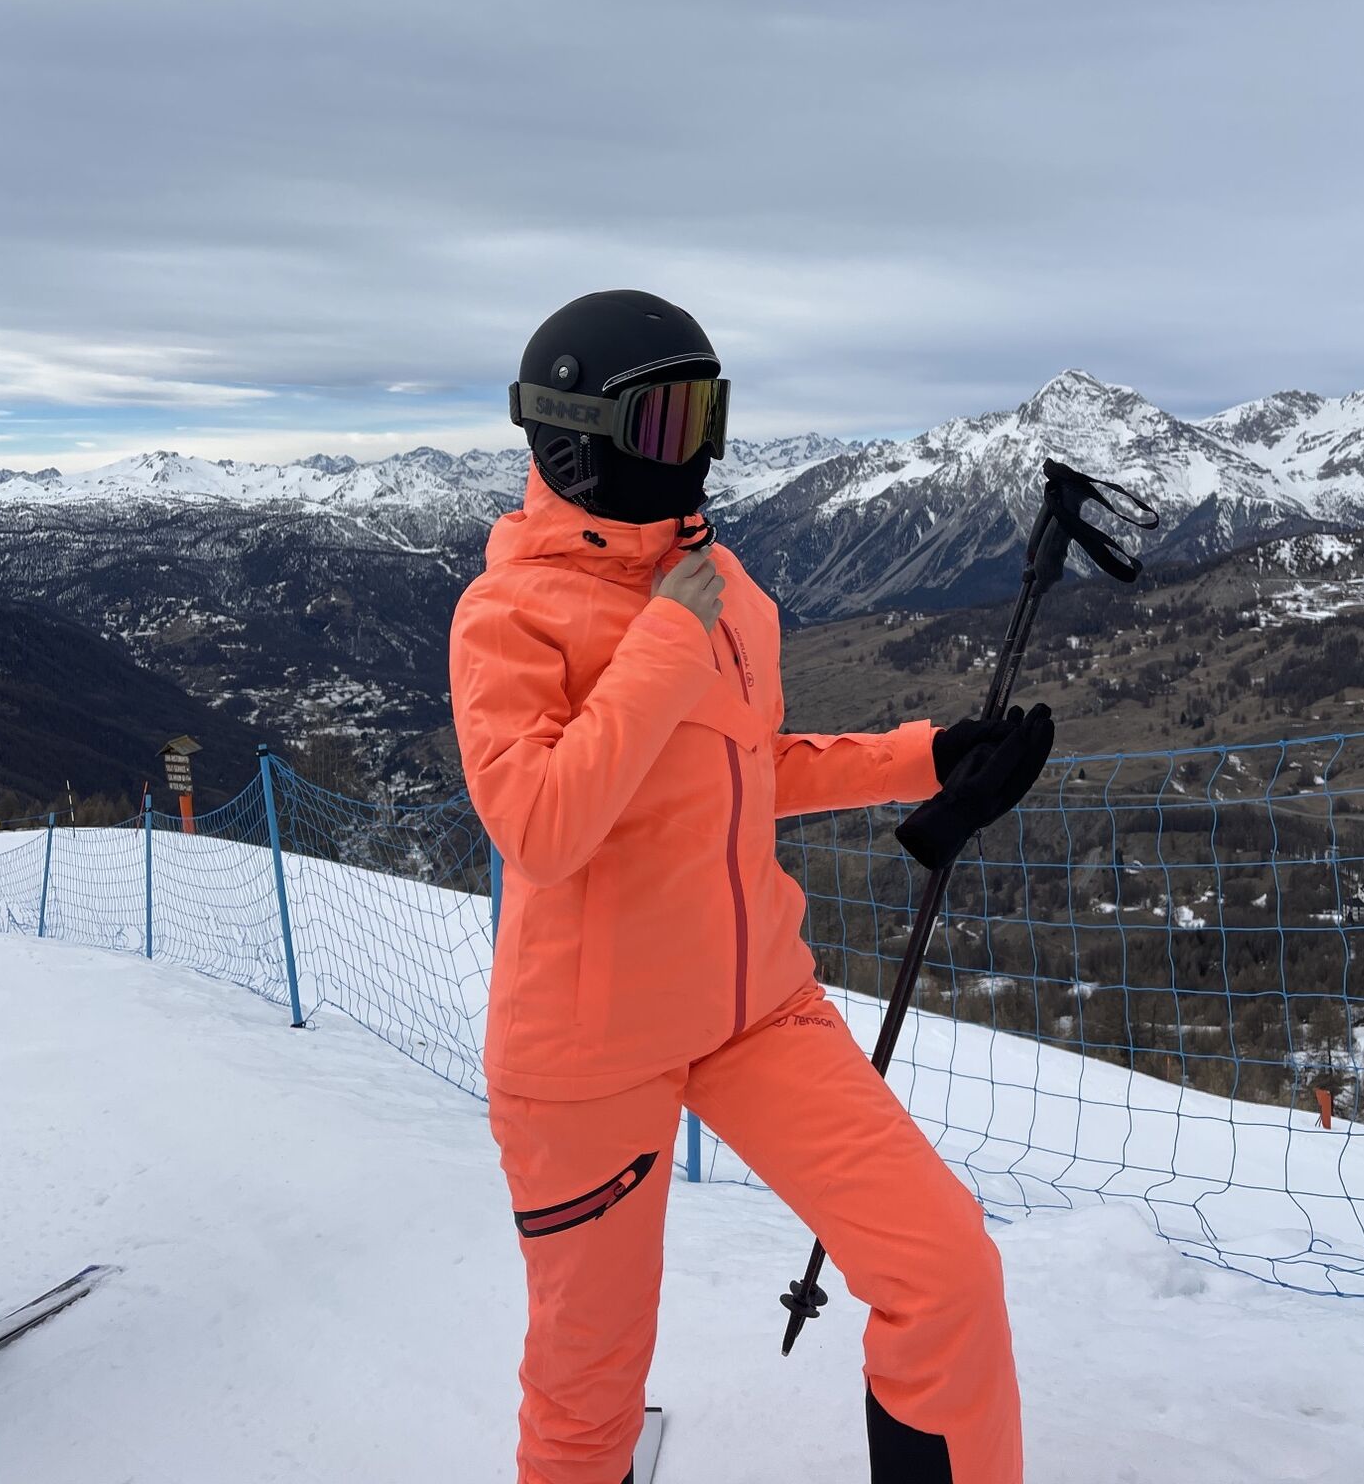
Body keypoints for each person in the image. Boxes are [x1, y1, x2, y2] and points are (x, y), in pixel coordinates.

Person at [450, 290, 1055, 1484]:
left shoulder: (720, 584)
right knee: (586, 1392)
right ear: (579, 437)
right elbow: (542, 823)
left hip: (754, 1008)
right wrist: (665, 641)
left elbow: (748, 767)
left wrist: (927, 757)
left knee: (945, 1271)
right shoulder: (510, 614)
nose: (699, 448)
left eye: (708, 413)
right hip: (587, 1052)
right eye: (668, 419)